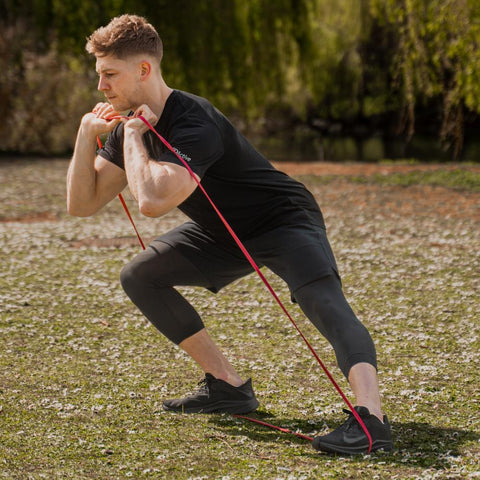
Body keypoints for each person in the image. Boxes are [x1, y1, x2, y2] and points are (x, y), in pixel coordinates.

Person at [66, 14, 393, 455]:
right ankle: (229, 387)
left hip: (283, 219)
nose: (102, 87)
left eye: (109, 75)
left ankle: (371, 421)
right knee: (139, 275)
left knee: (324, 302)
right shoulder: (131, 127)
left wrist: (133, 138)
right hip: (223, 232)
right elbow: (81, 204)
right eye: (99, 76)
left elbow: (153, 201)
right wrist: (87, 136)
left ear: (144, 69)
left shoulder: (192, 120)